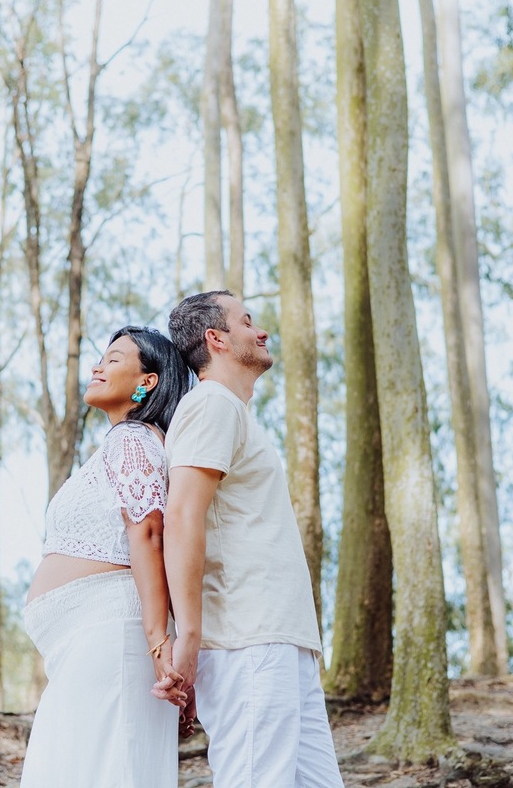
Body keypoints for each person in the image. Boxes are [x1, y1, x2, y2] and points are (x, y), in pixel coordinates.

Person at [161, 290, 344, 787]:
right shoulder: (212, 405)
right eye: (247, 321)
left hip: (282, 640)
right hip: (248, 638)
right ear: (215, 338)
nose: (261, 330)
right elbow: (180, 517)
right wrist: (190, 639)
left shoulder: (233, 413)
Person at [20, 325, 192, 788]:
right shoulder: (120, 443)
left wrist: (160, 646)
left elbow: (150, 533)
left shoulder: (133, 438)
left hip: (116, 638)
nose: (98, 366)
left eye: (114, 359)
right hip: (89, 644)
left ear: (147, 381)